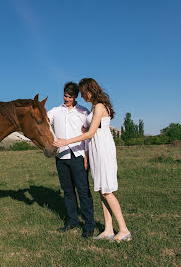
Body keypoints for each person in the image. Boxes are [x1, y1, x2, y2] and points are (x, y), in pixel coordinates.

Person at [53, 78, 131, 242]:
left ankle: (124, 229)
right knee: (102, 191)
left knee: (107, 191)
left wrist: (66, 141)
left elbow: (90, 133)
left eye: (83, 93)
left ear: (90, 90)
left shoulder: (100, 107)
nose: (82, 96)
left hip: (102, 149)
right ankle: (108, 229)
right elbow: (89, 129)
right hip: (95, 149)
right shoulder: (94, 107)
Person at [47, 82, 95, 238]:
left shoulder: (83, 112)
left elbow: (88, 136)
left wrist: (86, 155)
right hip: (61, 157)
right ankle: (72, 221)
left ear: (75, 96)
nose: (67, 98)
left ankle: (89, 225)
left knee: (83, 191)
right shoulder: (55, 111)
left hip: (78, 156)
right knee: (67, 191)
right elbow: (42, 121)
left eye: (70, 96)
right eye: (65, 95)